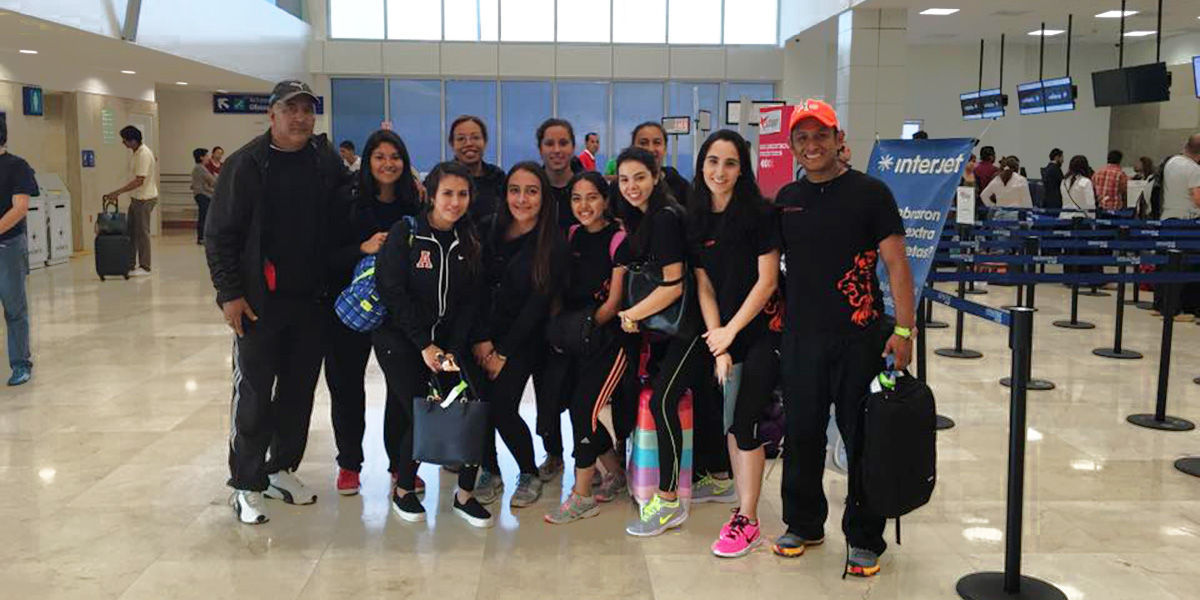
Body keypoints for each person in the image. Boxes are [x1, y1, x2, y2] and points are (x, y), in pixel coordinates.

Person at [771, 99, 914, 578]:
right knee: (803, 435)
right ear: (792, 146)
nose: (812, 146)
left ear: (838, 138)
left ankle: (865, 537)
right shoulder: (787, 199)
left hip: (860, 338)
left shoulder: (871, 193)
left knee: (862, 438)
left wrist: (904, 329)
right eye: (802, 138)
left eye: (820, 136)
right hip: (801, 339)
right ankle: (804, 523)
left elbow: (896, 265)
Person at [206, 80, 349, 525]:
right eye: (291, 109)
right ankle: (245, 483)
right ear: (273, 114)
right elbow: (220, 235)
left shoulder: (322, 159)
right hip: (258, 304)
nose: (300, 118)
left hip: (311, 302)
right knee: (253, 393)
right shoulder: (247, 164)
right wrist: (229, 294)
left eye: (307, 110)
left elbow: (346, 208)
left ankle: (279, 468)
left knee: (298, 394)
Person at [373, 161, 494, 527]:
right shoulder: (406, 233)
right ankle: (404, 489)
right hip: (400, 340)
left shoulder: (469, 239)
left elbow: (471, 300)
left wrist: (452, 349)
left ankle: (465, 495)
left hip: (447, 344)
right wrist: (424, 345)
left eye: (462, 194)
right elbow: (391, 290)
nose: (455, 202)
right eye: (447, 194)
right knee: (423, 411)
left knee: (471, 405)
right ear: (431, 194)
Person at [688, 130, 782, 558]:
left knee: (746, 421)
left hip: (764, 333)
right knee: (731, 422)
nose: (719, 171)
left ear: (742, 168)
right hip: (724, 337)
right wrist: (718, 342)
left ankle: (749, 518)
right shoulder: (696, 215)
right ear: (701, 164)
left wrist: (733, 331)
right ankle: (744, 506)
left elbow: (767, 281)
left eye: (729, 163)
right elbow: (703, 284)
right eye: (712, 161)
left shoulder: (760, 214)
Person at [616, 146, 706, 538]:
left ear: (656, 176)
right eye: (624, 180)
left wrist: (633, 314)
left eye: (639, 177)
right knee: (664, 400)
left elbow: (673, 285)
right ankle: (701, 483)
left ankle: (669, 502)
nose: (632, 186)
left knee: (663, 401)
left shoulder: (666, 218)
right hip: (673, 329)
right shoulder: (646, 218)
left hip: (690, 328)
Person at [326, 130, 423, 496]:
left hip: (396, 314)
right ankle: (349, 463)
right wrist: (361, 248)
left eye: (394, 156)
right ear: (368, 161)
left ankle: (401, 465)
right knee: (347, 386)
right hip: (349, 310)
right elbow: (324, 256)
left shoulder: (414, 203)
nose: (388, 163)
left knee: (401, 390)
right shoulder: (344, 201)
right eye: (379, 156)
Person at [471, 162, 567, 508]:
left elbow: (536, 306)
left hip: (523, 339)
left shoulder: (552, 242)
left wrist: (502, 353)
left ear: (543, 197)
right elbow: (474, 288)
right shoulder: (487, 229)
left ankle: (528, 471)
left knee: (501, 408)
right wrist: (481, 339)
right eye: (515, 190)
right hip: (480, 333)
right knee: (478, 404)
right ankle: (489, 468)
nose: (522, 199)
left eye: (531, 191)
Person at [542, 171, 632, 524]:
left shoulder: (619, 240)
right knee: (580, 409)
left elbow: (615, 301)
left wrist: (587, 327)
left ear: (606, 200)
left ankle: (581, 496)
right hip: (578, 338)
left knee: (584, 410)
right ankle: (615, 473)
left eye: (592, 197)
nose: (584, 205)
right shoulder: (573, 235)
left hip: (611, 341)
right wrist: (563, 330)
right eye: (577, 198)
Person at [0, 118, 35, 386]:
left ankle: (21, 364)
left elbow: (20, 208)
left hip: (8, 246)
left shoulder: (17, 166)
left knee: (14, 308)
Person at [103, 125, 157, 277]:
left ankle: (145, 266)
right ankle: (130, 264)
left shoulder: (143, 154)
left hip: (144, 198)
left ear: (133, 140)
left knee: (142, 233)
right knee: (131, 232)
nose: (123, 143)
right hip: (136, 198)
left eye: (124, 140)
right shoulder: (136, 153)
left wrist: (117, 192)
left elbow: (139, 180)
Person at [1158, 135, 1200, 318]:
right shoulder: (1194, 169)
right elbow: (1197, 198)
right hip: (1187, 223)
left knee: (1166, 265)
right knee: (1186, 267)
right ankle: (1180, 308)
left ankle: (1163, 304)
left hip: (1167, 220)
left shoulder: (1171, 162)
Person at [449, 115, 506, 223]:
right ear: (452, 144)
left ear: (485, 141)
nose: (469, 143)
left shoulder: (497, 176)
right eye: (461, 139)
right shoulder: (441, 178)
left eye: (475, 137)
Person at [632, 122, 690, 206]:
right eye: (643, 143)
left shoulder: (681, 186)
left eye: (657, 142)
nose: (651, 149)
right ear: (633, 147)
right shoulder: (619, 187)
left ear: (665, 148)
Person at [537, 118, 579, 228]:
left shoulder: (590, 189)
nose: (557, 150)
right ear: (540, 150)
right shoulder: (530, 192)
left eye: (563, 143)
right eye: (549, 144)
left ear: (573, 147)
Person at [191, 148, 217, 245]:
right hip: (202, 195)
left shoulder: (200, 167)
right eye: (206, 156)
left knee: (204, 215)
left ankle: (202, 237)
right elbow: (212, 180)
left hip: (203, 194)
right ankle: (201, 237)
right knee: (204, 216)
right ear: (201, 157)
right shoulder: (200, 168)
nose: (208, 158)